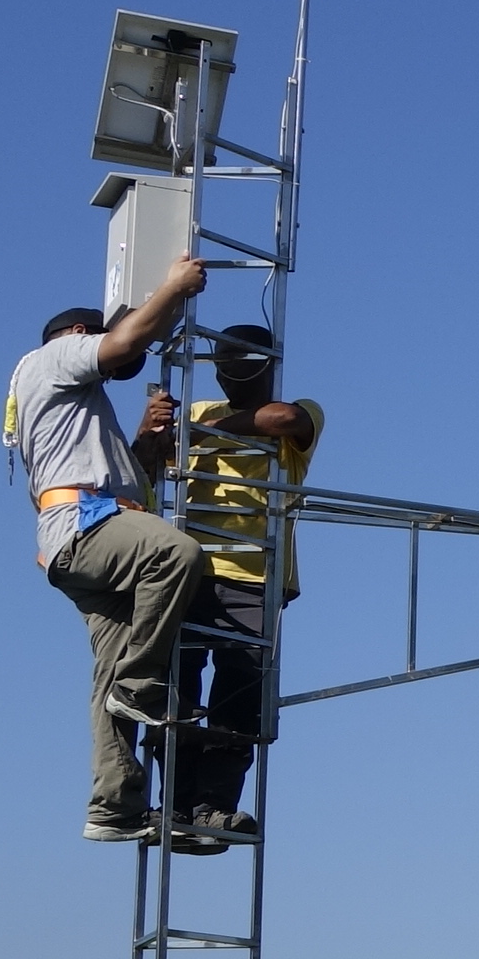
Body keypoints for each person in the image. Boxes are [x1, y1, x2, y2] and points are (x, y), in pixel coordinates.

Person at [4, 254, 209, 843]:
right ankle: (139, 685)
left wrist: (145, 439)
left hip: (82, 536)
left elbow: (121, 481)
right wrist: (172, 287)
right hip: (86, 529)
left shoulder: (66, 408)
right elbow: (123, 342)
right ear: (76, 335)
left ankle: (114, 807)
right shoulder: (54, 357)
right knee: (178, 554)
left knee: (108, 680)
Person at [167, 323, 324, 839]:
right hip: (186, 569)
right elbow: (147, 467)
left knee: (238, 695)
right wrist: (152, 435)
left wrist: (198, 436)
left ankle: (213, 805)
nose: (233, 377)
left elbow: (282, 419)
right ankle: (177, 806)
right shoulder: (190, 414)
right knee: (177, 693)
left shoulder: (300, 412)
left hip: (256, 574)